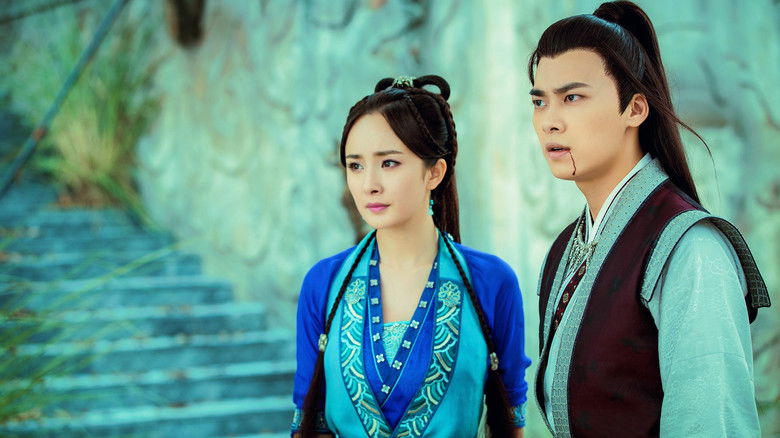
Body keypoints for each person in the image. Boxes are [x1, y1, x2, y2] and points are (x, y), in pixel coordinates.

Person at [527, 2, 771, 437]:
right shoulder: (564, 251)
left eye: (572, 97)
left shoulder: (691, 249)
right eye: (540, 101)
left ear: (635, 109)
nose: (550, 121)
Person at [291, 75, 531, 437]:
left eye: (388, 163)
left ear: (434, 172)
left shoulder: (491, 282)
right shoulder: (324, 284)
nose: (369, 184)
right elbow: (309, 420)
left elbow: (509, 420)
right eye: (355, 165)